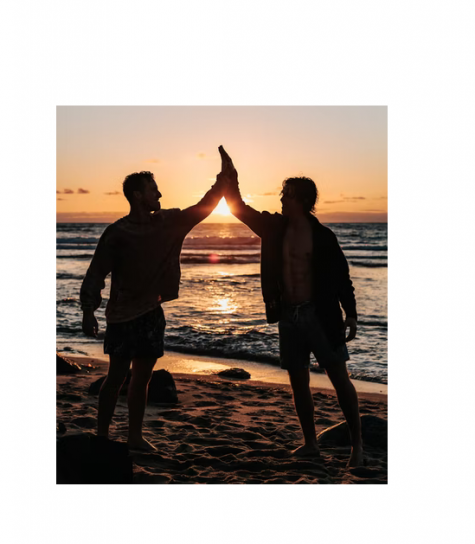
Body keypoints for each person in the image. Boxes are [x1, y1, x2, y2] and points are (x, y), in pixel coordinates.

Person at [219, 146, 363, 467]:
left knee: (340, 378)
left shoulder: (323, 237)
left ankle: (357, 446)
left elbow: (342, 278)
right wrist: (232, 180)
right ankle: (311, 443)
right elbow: (239, 209)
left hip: (321, 317)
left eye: (285, 195)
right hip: (288, 316)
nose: (281, 200)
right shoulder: (274, 227)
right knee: (298, 383)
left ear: (299, 198)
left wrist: (350, 312)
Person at [80, 166, 226, 451]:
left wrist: (222, 180)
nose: (159, 193)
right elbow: (96, 273)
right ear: (137, 195)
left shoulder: (166, 222)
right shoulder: (117, 233)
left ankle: (134, 436)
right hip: (122, 316)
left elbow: (201, 209)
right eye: (152, 189)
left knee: (143, 379)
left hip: (151, 313)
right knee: (116, 378)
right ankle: (102, 437)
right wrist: (88, 310)